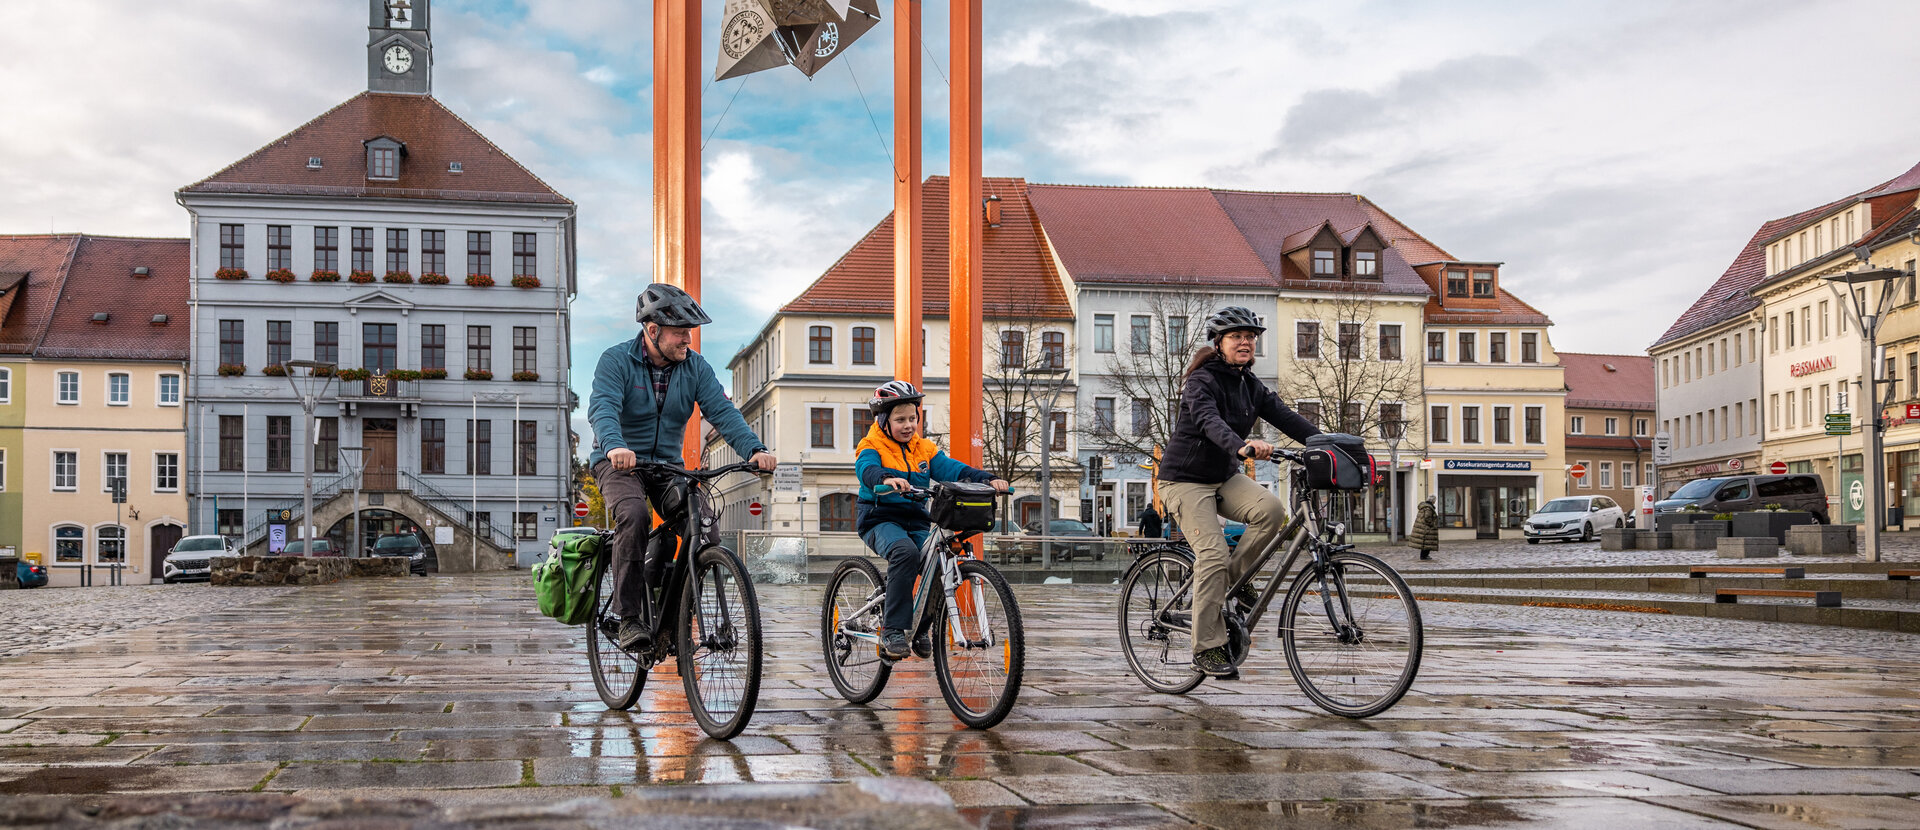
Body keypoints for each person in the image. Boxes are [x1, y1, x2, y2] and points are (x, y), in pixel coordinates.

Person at [588, 283, 777, 651]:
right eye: (680, 332)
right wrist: (614, 446)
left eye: (690, 332)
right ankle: (628, 618)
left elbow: (723, 413)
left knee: (703, 523)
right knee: (634, 515)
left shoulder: (694, 367)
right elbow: (603, 409)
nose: (687, 340)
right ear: (652, 330)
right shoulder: (616, 361)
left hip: (667, 466)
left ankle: (676, 613)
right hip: (619, 462)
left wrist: (755, 449)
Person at [1158, 306, 1321, 678]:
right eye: (1236, 336)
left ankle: (1237, 577)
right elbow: (1208, 420)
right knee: (1212, 555)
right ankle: (1206, 647)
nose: (1245, 341)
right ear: (1219, 344)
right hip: (1183, 479)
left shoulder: (1251, 386)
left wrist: (1329, 443)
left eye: (1250, 337)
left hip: (1222, 476)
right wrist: (1240, 446)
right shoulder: (1201, 381)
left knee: (1272, 510)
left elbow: (1287, 418)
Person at [855, 380, 1008, 661]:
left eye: (913, 418)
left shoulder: (923, 449)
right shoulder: (871, 444)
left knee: (942, 561)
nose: (908, 425)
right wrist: (886, 478)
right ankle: (893, 631)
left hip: (917, 521)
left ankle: (921, 628)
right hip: (879, 518)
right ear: (883, 421)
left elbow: (954, 469)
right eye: (900, 419)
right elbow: (866, 469)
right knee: (905, 552)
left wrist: (988, 479)